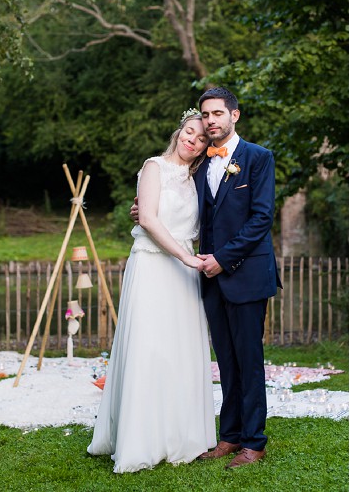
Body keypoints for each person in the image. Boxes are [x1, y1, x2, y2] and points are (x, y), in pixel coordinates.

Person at [88, 109, 216, 472]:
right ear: (179, 133)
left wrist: (190, 258)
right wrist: (184, 257)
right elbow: (147, 218)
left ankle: (181, 433)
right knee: (149, 346)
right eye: (189, 132)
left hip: (184, 271)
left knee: (180, 349)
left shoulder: (197, 179)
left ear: (205, 147)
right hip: (154, 265)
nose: (193, 140)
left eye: (201, 138)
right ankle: (140, 437)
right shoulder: (153, 166)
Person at [191, 86, 282, 469]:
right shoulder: (198, 164)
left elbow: (261, 218)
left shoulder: (258, 158)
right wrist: (142, 210)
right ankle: (229, 435)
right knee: (225, 361)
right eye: (206, 115)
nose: (211, 121)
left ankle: (254, 442)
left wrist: (222, 260)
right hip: (211, 280)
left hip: (244, 273)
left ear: (234, 115)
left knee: (248, 359)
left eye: (217, 114)